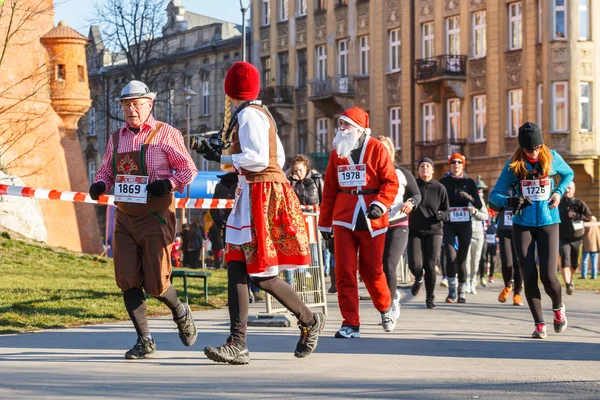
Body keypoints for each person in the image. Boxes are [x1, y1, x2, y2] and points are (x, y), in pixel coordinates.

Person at [197, 62, 325, 364]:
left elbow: (257, 158)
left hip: (260, 195)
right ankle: (238, 341)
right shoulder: (259, 113)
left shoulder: (249, 115)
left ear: (230, 91)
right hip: (256, 191)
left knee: (261, 274)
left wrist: (223, 156)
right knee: (239, 268)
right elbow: (275, 156)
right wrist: (229, 161)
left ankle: (308, 318)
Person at [89, 80, 198, 359]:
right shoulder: (116, 138)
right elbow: (106, 172)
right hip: (124, 216)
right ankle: (145, 340)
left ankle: (180, 311)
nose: (131, 110)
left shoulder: (167, 134)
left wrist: (169, 184)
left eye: (137, 104)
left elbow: (189, 169)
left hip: (155, 215)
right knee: (127, 278)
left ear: (150, 104)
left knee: (156, 283)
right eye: (126, 105)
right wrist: (100, 184)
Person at [318, 106, 400, 338]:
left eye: (346, 125)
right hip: (344, 216)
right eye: (340, 124)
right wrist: (324, 224)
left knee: (371, 271)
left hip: (372, 216)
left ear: (360, 128)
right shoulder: (337, 152)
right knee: (343, 271)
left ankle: (385, 307)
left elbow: (391, 182)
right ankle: (350, 323)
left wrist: (380, 204)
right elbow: (330, 190)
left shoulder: (377, 148)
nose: (341, 129)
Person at [490, 121, 573, 339]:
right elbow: (494, 196)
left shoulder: (552, 157)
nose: (534, 153)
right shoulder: (514, 165)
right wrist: (510, 200)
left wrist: (558, 192)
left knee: (548, 276)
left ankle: (558, 308)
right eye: (529, 150)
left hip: (548, 222)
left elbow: (568, 174)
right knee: (529, 275)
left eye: (537, 148)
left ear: (542, 145)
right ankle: (539, 324)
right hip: (522, 224)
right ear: (522, 149)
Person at [378, 136, 421, 319]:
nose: (382, 153)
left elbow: (416, 194)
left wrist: (411, 202)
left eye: (385, 149)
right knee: (377, 267)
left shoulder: (401, 173)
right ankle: (388, 296)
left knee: (389, 263)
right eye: (379, 149)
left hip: (398, 223)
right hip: (377, 225)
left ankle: (392, 303)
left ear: (391, 152)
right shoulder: (369, 174)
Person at [407, 157, 450, 309]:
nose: (425, 168)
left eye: (428, 166)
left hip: (434, 231)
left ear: (432, 170)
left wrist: (442, 215)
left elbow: (447, 211)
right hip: (415, 230)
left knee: (430, 265)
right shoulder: (413, 187)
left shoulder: (440, 188)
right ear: (417, 171)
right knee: (415, 264)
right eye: (422, 166)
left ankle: (430, 297)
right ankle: (418, 278)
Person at [439, 153, 482, 303]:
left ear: (463, 165)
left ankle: (461, 292)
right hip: (449, 224)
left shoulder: (469, 182)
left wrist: (470, 198)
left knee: (462, 259)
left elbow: (479, 205)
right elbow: (438, 201)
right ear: (449, 165)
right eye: (453, 162)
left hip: (464, 225)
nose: (456, 165)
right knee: (450, 256)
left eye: (459, 162)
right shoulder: (443, 182)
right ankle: (451, 292)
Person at [558, 182, 592, 294]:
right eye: (566, 188)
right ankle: (567, 284)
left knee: (574, 264)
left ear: (573, 190)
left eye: (569, 188)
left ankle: (570, 277)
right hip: (563, 238)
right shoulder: (559, 203)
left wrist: (576, 216)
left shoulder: (579, 203)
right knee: (564, 261)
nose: (567, 190)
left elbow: (589, 217)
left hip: (577, 238)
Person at [464, 185, 489, 295]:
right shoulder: (461, 200)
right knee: (466, 259)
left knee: (475, 260)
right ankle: (466, 282)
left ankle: (473, 280)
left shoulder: (479, 200)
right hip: (465, 232)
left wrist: (475, 212)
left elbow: (485, 216)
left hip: (477, 233)